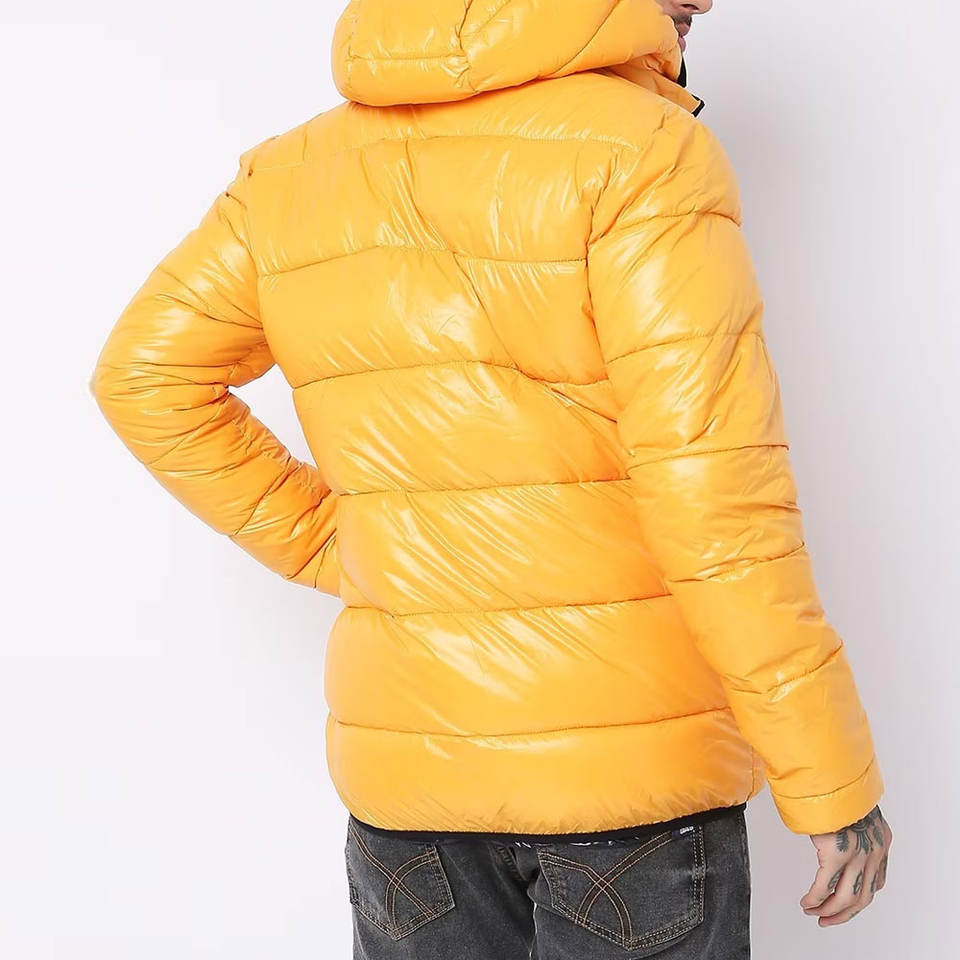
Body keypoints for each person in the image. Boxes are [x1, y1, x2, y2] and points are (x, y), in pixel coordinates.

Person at [89, 0, 892, 955]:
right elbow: (716, 499)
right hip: (628, 780)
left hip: (410, 783)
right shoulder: (639, 152)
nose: (705, 2)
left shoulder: (293, 173)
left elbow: (145, 378)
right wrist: (827, 772)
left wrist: (356, 549)